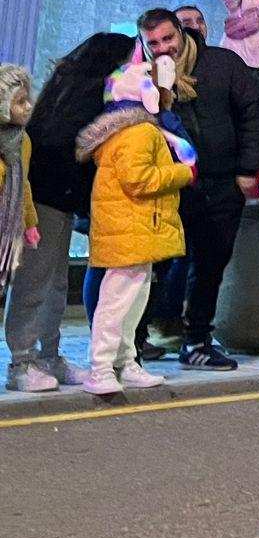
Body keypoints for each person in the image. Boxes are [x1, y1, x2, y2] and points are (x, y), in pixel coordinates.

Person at [137, 7, 259, 370]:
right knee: (155, 267)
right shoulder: (142, 76)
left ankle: (196, 341)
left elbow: (252, 114)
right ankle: (133, 342)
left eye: (168, 38)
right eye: (153, 43)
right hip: (169, 186)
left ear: (181, 33)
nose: (163, 48)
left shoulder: (222, 63)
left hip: (221, 182)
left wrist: (247, 169)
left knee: (210, 267)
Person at [7, 34, 132, 390]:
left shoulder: (73, 94)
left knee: (55, 283)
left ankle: (49, 356)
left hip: (60, 199)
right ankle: (21, 362)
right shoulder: (82, 101)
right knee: (35, 281)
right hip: (44, 199)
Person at [77, 49, 195, 396]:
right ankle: (101, 368)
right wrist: (182, 173)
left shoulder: (131, 128)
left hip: (135, 228)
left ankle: (125, 362)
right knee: (117, 304)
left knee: (130, 303)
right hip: (131, 228)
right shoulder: (140, 132)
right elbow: (138, 179)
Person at [0, 66, 40, 311]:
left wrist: (30, 222)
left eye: (28, 99)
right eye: (20, 102)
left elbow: (23, 183)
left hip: (7, 228)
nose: (28, 106)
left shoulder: (22, 140)